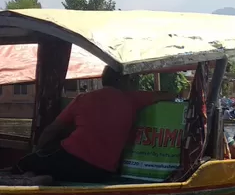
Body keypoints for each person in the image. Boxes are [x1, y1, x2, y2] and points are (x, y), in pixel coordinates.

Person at [13, 66, 176, 183]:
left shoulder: (83, 98)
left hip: (72, 160)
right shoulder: (133, 99)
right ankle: (46, 177)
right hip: (101, 173)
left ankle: (33, 178)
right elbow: (169, 95)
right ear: (124, 80)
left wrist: (38, 150)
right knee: (54, 163)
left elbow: (51, 130)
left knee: (26, 163)